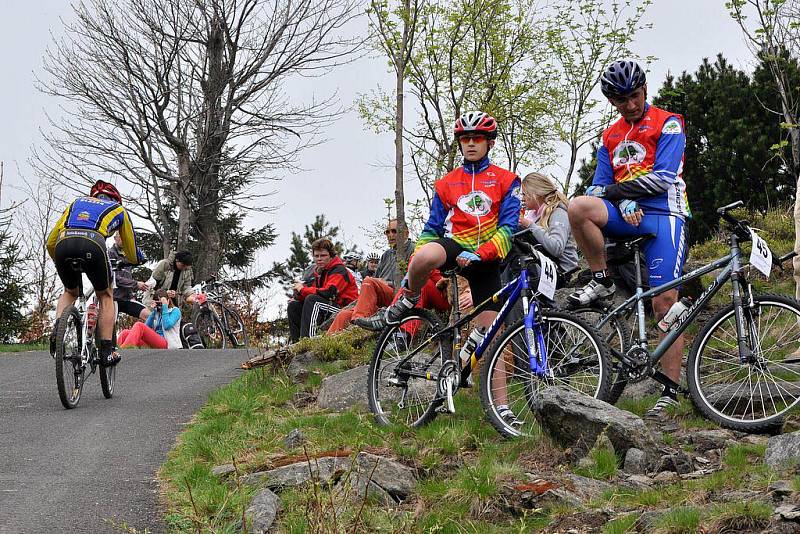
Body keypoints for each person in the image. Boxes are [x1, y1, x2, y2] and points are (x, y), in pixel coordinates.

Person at [566, 60, 690, 419]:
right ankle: (601, 279)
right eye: (622, 100)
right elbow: (593, 189)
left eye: (635, 96)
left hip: (664, 215)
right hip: (628, 213)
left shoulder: (668, 122)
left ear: (645, 89)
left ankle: (669, 392)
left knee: (665, 303)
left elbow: (663, 177)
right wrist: (623, 199)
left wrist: (618, 193)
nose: (631, 105)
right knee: (579, 208)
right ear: (612, 101)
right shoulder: (610, 136)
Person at [381, 111, 522, 424]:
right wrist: (420, 257)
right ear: (460, 144)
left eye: (477, 138)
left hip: (486, 258)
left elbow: (509, 228)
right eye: (465, 139)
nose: (471, 144)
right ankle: (408, 297)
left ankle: (502, 408)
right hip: (454, 244)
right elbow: (432, 227)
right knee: (423, 255)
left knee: (492, 336)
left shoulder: (506, 180)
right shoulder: (446, 183)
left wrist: (483, 254)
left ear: (490, 142)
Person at [47, 180, 144, 367]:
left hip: (63, 243)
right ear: (116, 199)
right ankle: (107, 351)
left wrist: (60, 259)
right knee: (106, 295)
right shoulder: (118, 209)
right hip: (94, 243)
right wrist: (135, 259)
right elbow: (131, 249)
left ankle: (58, 330)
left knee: (70, 291)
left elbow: (51, 241)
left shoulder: (76, 203)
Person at [287, 238, 359, 342]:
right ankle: (296, 343)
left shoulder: (339, 270)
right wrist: (298, 293)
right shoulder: (320, 272)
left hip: (346, 310)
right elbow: (312, 291)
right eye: (316, 256)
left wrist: (303, 289)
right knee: (294, 305)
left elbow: (329, 293)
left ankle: (307, 342)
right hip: (331, 307)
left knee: (313, 300)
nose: (319, 259)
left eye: (323, 255)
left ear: (331, 256)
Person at [118, 289, 182, 349]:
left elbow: (167, 326)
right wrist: (153, 312)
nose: (160, 305)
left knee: (139, 325)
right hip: (155, 342)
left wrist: (165, 307)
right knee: (125, 333)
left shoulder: (175, 311)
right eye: (158, 303)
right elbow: (146, 327)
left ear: (168, 301)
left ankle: (125, 352)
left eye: (161, 303)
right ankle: (117, 353)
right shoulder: (157, 313)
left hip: (168, 343)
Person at [109, 232, 149, 321]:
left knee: (149, 315)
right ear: (115, 238)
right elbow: (115, 279)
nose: (123, 239)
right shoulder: (110, 253)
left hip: (126, 298)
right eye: (121, 237)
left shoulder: (128, 254)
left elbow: (141, 259)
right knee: (109, 327)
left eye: (125, 237)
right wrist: (136, 284)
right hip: (112, 299)